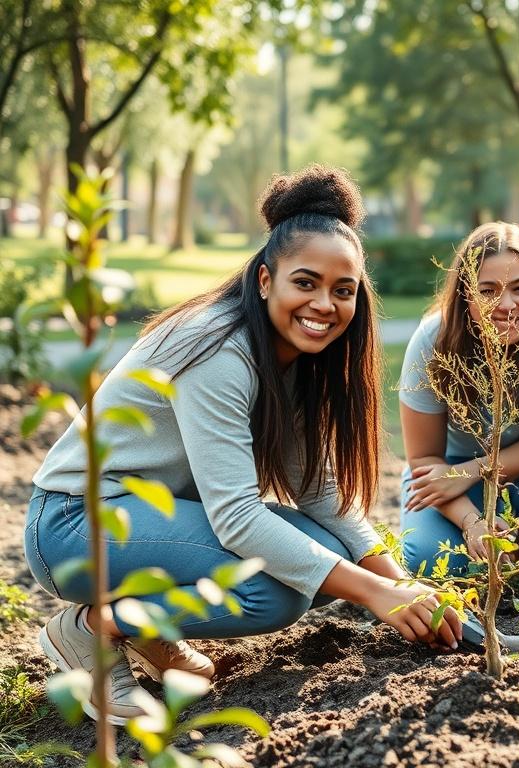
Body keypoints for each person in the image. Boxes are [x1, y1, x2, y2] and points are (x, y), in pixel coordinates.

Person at [24, 165, 461, 725]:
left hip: (145, 524)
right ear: (264, 280)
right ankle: (94, 629)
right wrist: (374, 595)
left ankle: (147, 629)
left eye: (343, 290)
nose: (325, 304)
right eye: (306, 282)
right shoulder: (218, 350)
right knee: (277, 593)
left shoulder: (294, 361)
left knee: (325, 552)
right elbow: (237, 518)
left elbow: (319, 493)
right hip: (74, 526)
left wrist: (402, 587)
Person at [399, 222, 519, 575]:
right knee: (435, 564)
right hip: (445, 467)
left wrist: (476, 470)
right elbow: (425, 459)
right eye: (487, 290)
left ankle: (513, 569)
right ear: (465, 294)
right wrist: (471, 521)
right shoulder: (432, 341)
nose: (507, 305)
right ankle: (481, 555)